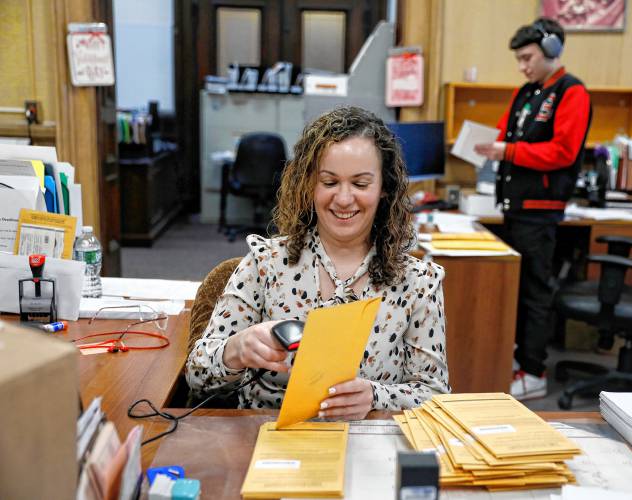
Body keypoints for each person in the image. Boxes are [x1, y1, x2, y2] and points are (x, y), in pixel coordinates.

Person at [186, 106, 450, 418]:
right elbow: (196, 376)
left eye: (361, 184)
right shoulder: (264, 264)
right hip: (267, 444)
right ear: (309, 184)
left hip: (368, 446)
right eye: (329, 182)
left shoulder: (417, 282)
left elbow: (433, 395)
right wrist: (235, 351)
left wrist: (375, 396)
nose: (343, 198)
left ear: (384, 189)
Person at [475, 17, 592, 400]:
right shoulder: (526, 92)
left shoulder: (571, 92)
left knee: (536, 291)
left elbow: (563, 151)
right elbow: (502, 133)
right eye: (520, 60)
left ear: (552, 52)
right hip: (514, 206)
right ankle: (519, 360)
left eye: (528, 58)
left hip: (541, 210)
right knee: (518, 287)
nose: (523, 66)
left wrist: (507, 151)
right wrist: (484, 144)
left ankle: (534, 369)